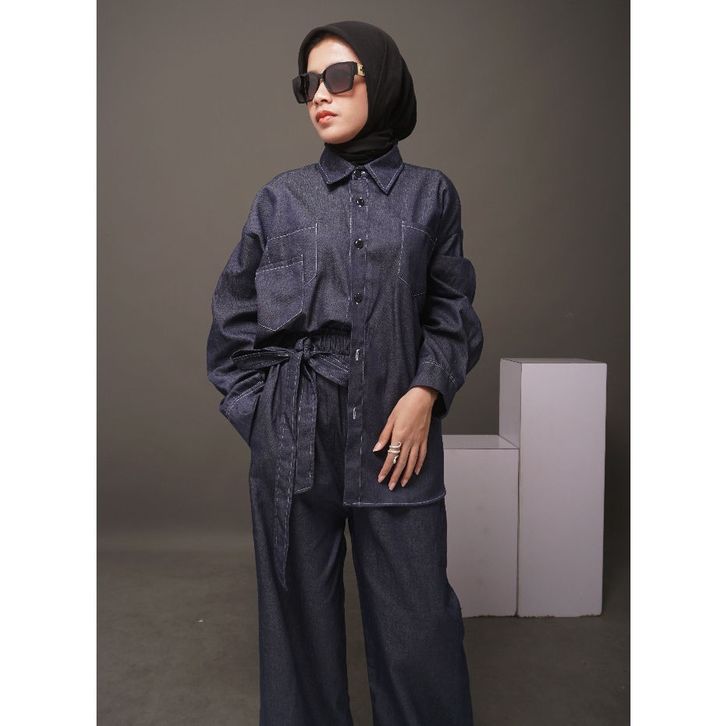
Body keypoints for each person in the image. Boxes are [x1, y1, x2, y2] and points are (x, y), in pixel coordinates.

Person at [206, 19, 484, 726]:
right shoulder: (280, 199)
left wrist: (426, 392)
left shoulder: (431, 196)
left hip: (398, 437)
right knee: (297, 630)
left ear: (379, 81)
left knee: (420, 627)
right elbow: (232, 325)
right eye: (308, 84)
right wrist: (267, 422)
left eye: (337, 77)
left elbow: (453, 311)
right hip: (295, 440)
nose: (320, 96)